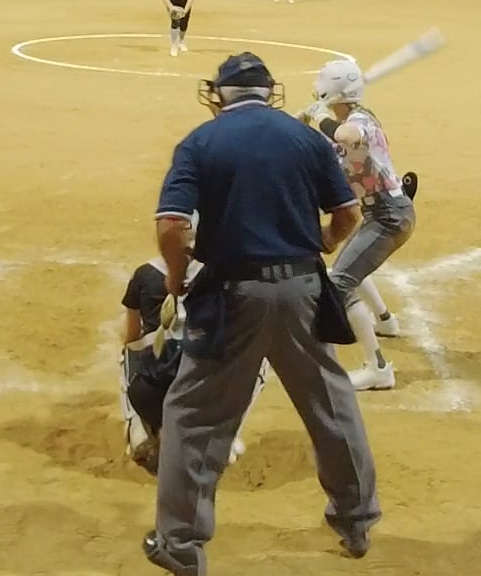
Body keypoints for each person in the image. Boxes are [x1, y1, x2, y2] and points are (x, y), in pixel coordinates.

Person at [144, 53, 379, 572]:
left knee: (195, 417)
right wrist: (320, 242)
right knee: (331, 403)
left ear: (221, 94)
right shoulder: (306, 139)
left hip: (232, 298)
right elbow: (348, 213)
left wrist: (176, 275)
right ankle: (356, 521)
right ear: (268, 92)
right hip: (303, 291)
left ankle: (180, 546)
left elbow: (172, 225)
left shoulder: (201, 142)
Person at [299, 59, 418, 392]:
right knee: (350, 265)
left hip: (389, 216)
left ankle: (378, 369)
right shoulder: (341, 126)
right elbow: (329, 149)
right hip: (382, 214)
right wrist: (299, 126)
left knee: (340, 282)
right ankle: (385, 320)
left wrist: (318, 116)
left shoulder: (359, 121)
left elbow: (347, 137)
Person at [118, 216, 266, 475]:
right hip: (204, 392)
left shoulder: (144, 274)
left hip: (150, 395)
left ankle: (138, 428)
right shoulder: (221, 275)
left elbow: (130, 336)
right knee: (257, 358)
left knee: (131, 351)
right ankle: (226, 437)